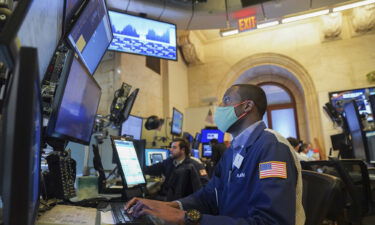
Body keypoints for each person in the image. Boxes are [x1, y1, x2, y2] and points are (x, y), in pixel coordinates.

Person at [126, 84, 305, 225]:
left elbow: (270, 222)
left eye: (226, 100)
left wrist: (184, 218)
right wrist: (171, 206)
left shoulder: (271, 147)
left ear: (247, 106)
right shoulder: (234, 150)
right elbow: (210, 195)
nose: (220, 108)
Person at [144, 138, 208, 201]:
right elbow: (152, 169)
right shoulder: (169, 161)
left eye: (174, 148)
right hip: (166, 197)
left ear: (182, 150)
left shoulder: (194, 165)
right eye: (171, 147)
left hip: (181, 201)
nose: (170, 150)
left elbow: (204, 185)